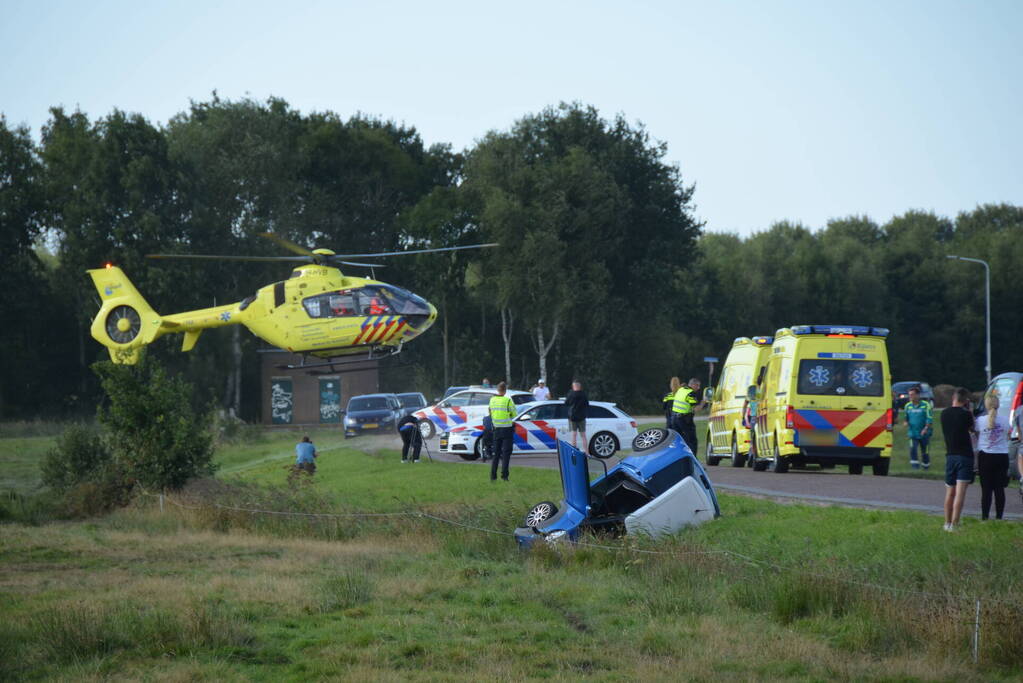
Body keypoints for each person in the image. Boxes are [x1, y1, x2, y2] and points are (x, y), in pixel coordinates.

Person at [941, 387, 976, 531]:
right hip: (965, 456)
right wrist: (970, 411)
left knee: (950, 492)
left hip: (950, 455)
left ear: (953, 398)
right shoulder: (967, 414)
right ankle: (955, 524)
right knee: (960, 493)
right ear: (966, 401)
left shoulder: (944, 413)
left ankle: (946, 522)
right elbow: (972, 429)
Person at [975, 393, 1010, 520]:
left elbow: (975, 432)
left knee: (986, 489)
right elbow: (1008, 435)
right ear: (998, 405)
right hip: (1001, 456)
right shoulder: (1005, 420)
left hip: (985, 456)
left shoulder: (980, 420)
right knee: (999, 489)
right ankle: (999, 517)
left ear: (986, 405)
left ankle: (985, 517)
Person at [488, 382, 517, 481]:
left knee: (496, 454)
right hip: (507, 430)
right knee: (506, 454)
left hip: (496, 429)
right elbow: (514, 415)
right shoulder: (508, 400)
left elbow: (490, 412)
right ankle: (504, 476)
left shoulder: (492, 400)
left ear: (497, 389)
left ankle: (493, 476)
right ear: (505, 390)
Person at [903, 386, 934, 469]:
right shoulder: (907, 406)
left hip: (925, 433)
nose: (910, 396)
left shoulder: (925, 405)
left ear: (918, 395)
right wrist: (906, 422)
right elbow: (906, 418)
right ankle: (915, 468)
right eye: (909, 395)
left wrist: (925, 429)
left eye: (912, 394)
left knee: (925, 452)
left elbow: (929, 418)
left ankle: (926, 467)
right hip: (913, 433)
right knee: (913, 449)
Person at [671, 377, 704, 455]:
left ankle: (679, 459)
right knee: (692, 441)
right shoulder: (690, 393)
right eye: (697, 385)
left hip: (674, 420)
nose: (698, 388)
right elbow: (696, 409)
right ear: (692, 384)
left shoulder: (681, 390)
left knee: (679, 441)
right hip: (684, 420)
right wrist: (704, 402)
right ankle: (693, 462)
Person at [564, 380, 589, 451]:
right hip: (582, 417)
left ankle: (574, 451)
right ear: (580, 386)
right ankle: (586, 452)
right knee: (583, 435)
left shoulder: (570, 394)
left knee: (574, 434)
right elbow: (587, 404)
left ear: (573, 386)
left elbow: (566, 403)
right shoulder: (584, 394)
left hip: (572, 417)